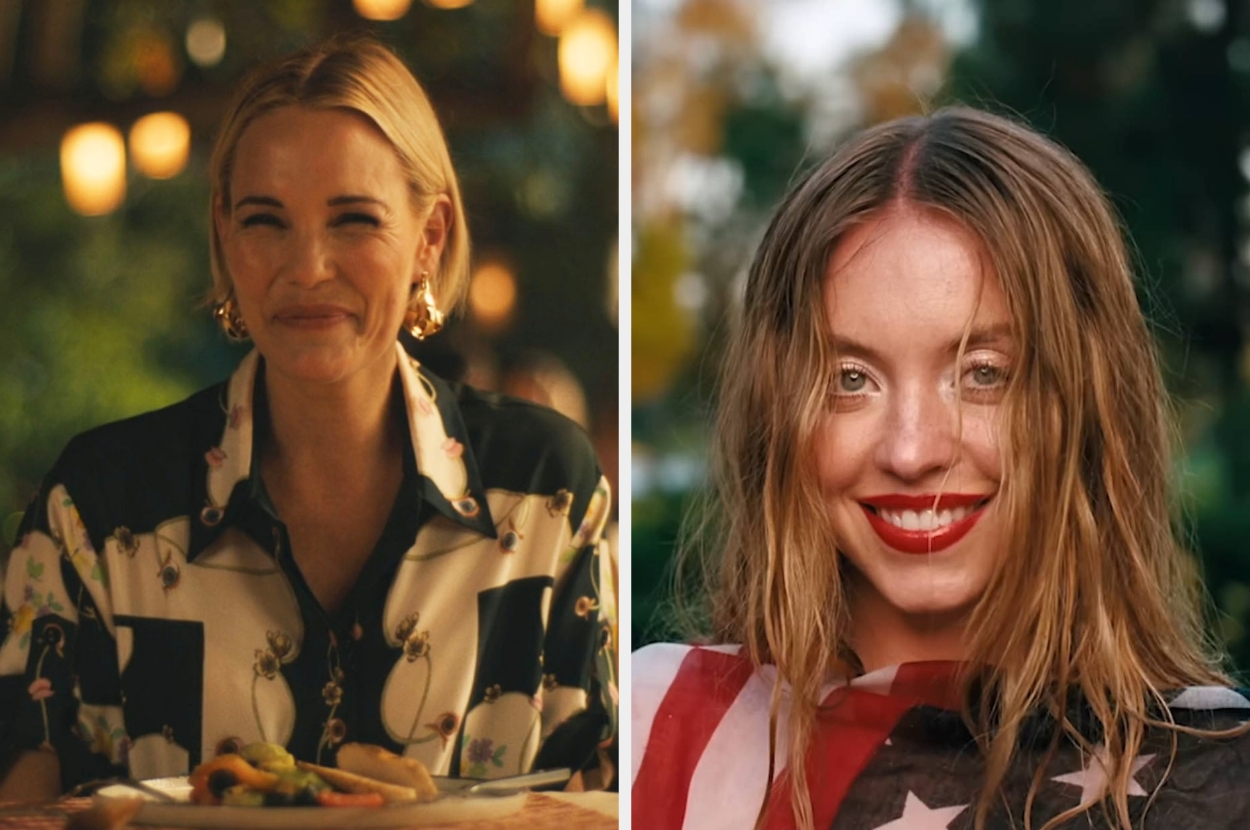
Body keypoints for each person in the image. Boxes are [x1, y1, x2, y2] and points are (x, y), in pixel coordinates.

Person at [0, 34, 615, 800]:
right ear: (224, 233)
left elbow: (603, 796)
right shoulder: (97, 503)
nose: (307, 267)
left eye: (354, 219)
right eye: (265, 221)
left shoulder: (542, 492)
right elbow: (25, 789)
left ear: (430, 237)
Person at [632, 108, 1250, 830]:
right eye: (851, 379)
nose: (912, 449)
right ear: (780, 411)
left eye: (983, 373)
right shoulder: (660, 729)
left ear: (1083, 404)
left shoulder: (1218, 776)